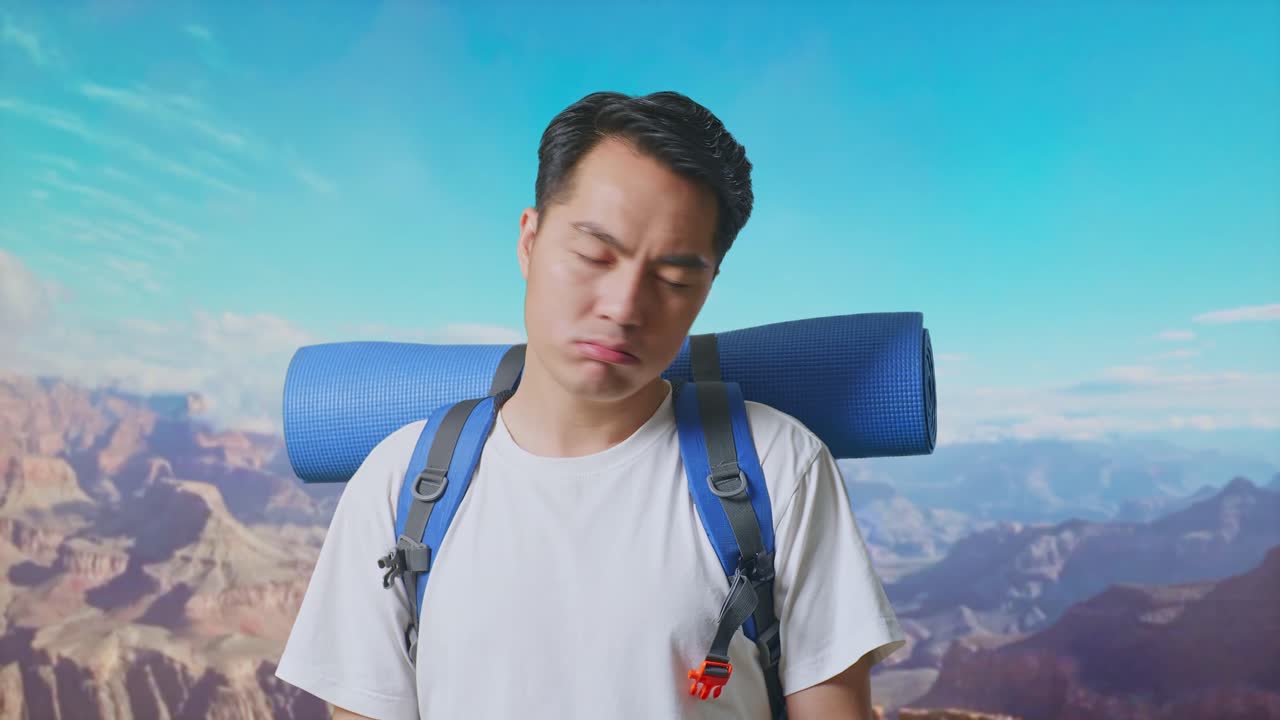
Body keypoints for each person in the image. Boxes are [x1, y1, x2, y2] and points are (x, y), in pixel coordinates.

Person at [275, 90, 905, 719]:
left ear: (707, 289)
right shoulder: (397, 484)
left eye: (674, 280)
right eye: (593, 256)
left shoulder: (780, 466)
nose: (624, 307)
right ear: (529, 241)